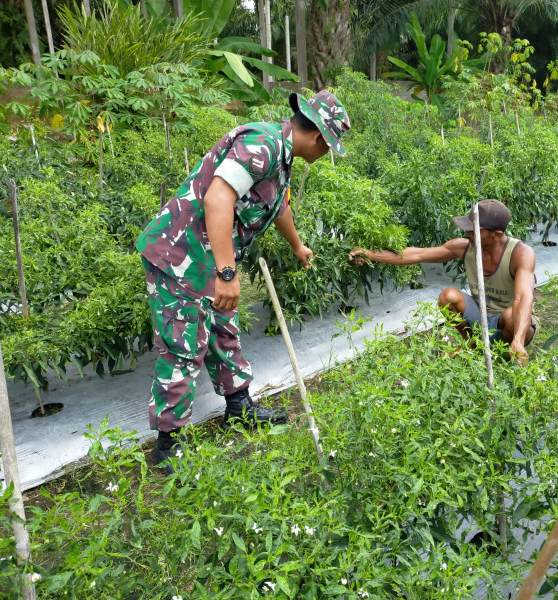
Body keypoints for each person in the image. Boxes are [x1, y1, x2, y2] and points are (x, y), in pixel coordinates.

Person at [137, 91, 351, 474]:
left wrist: (298, 246)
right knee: (184, 347)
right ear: (319, 137)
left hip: (208, 256)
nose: (327, 154)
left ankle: (239, 409)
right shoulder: (262, 146)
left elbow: (278, 206)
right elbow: (218, 199)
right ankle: (168, 447)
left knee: (224, 329)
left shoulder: (282, 157)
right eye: (330, 146)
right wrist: (227, 273)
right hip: (180, 255)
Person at [350, 199, 537, 364]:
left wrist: (519, 341)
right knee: (448, 296)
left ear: (496, 235)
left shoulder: (520, 254)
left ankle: (507, 349)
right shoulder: (464, 247)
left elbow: (523, 298)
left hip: (510, 321)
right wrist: (370, 254)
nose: (467, 233)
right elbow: (416, 254)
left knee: (512, 316)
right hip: (479, 313)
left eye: (474, 230)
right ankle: (471, 345)